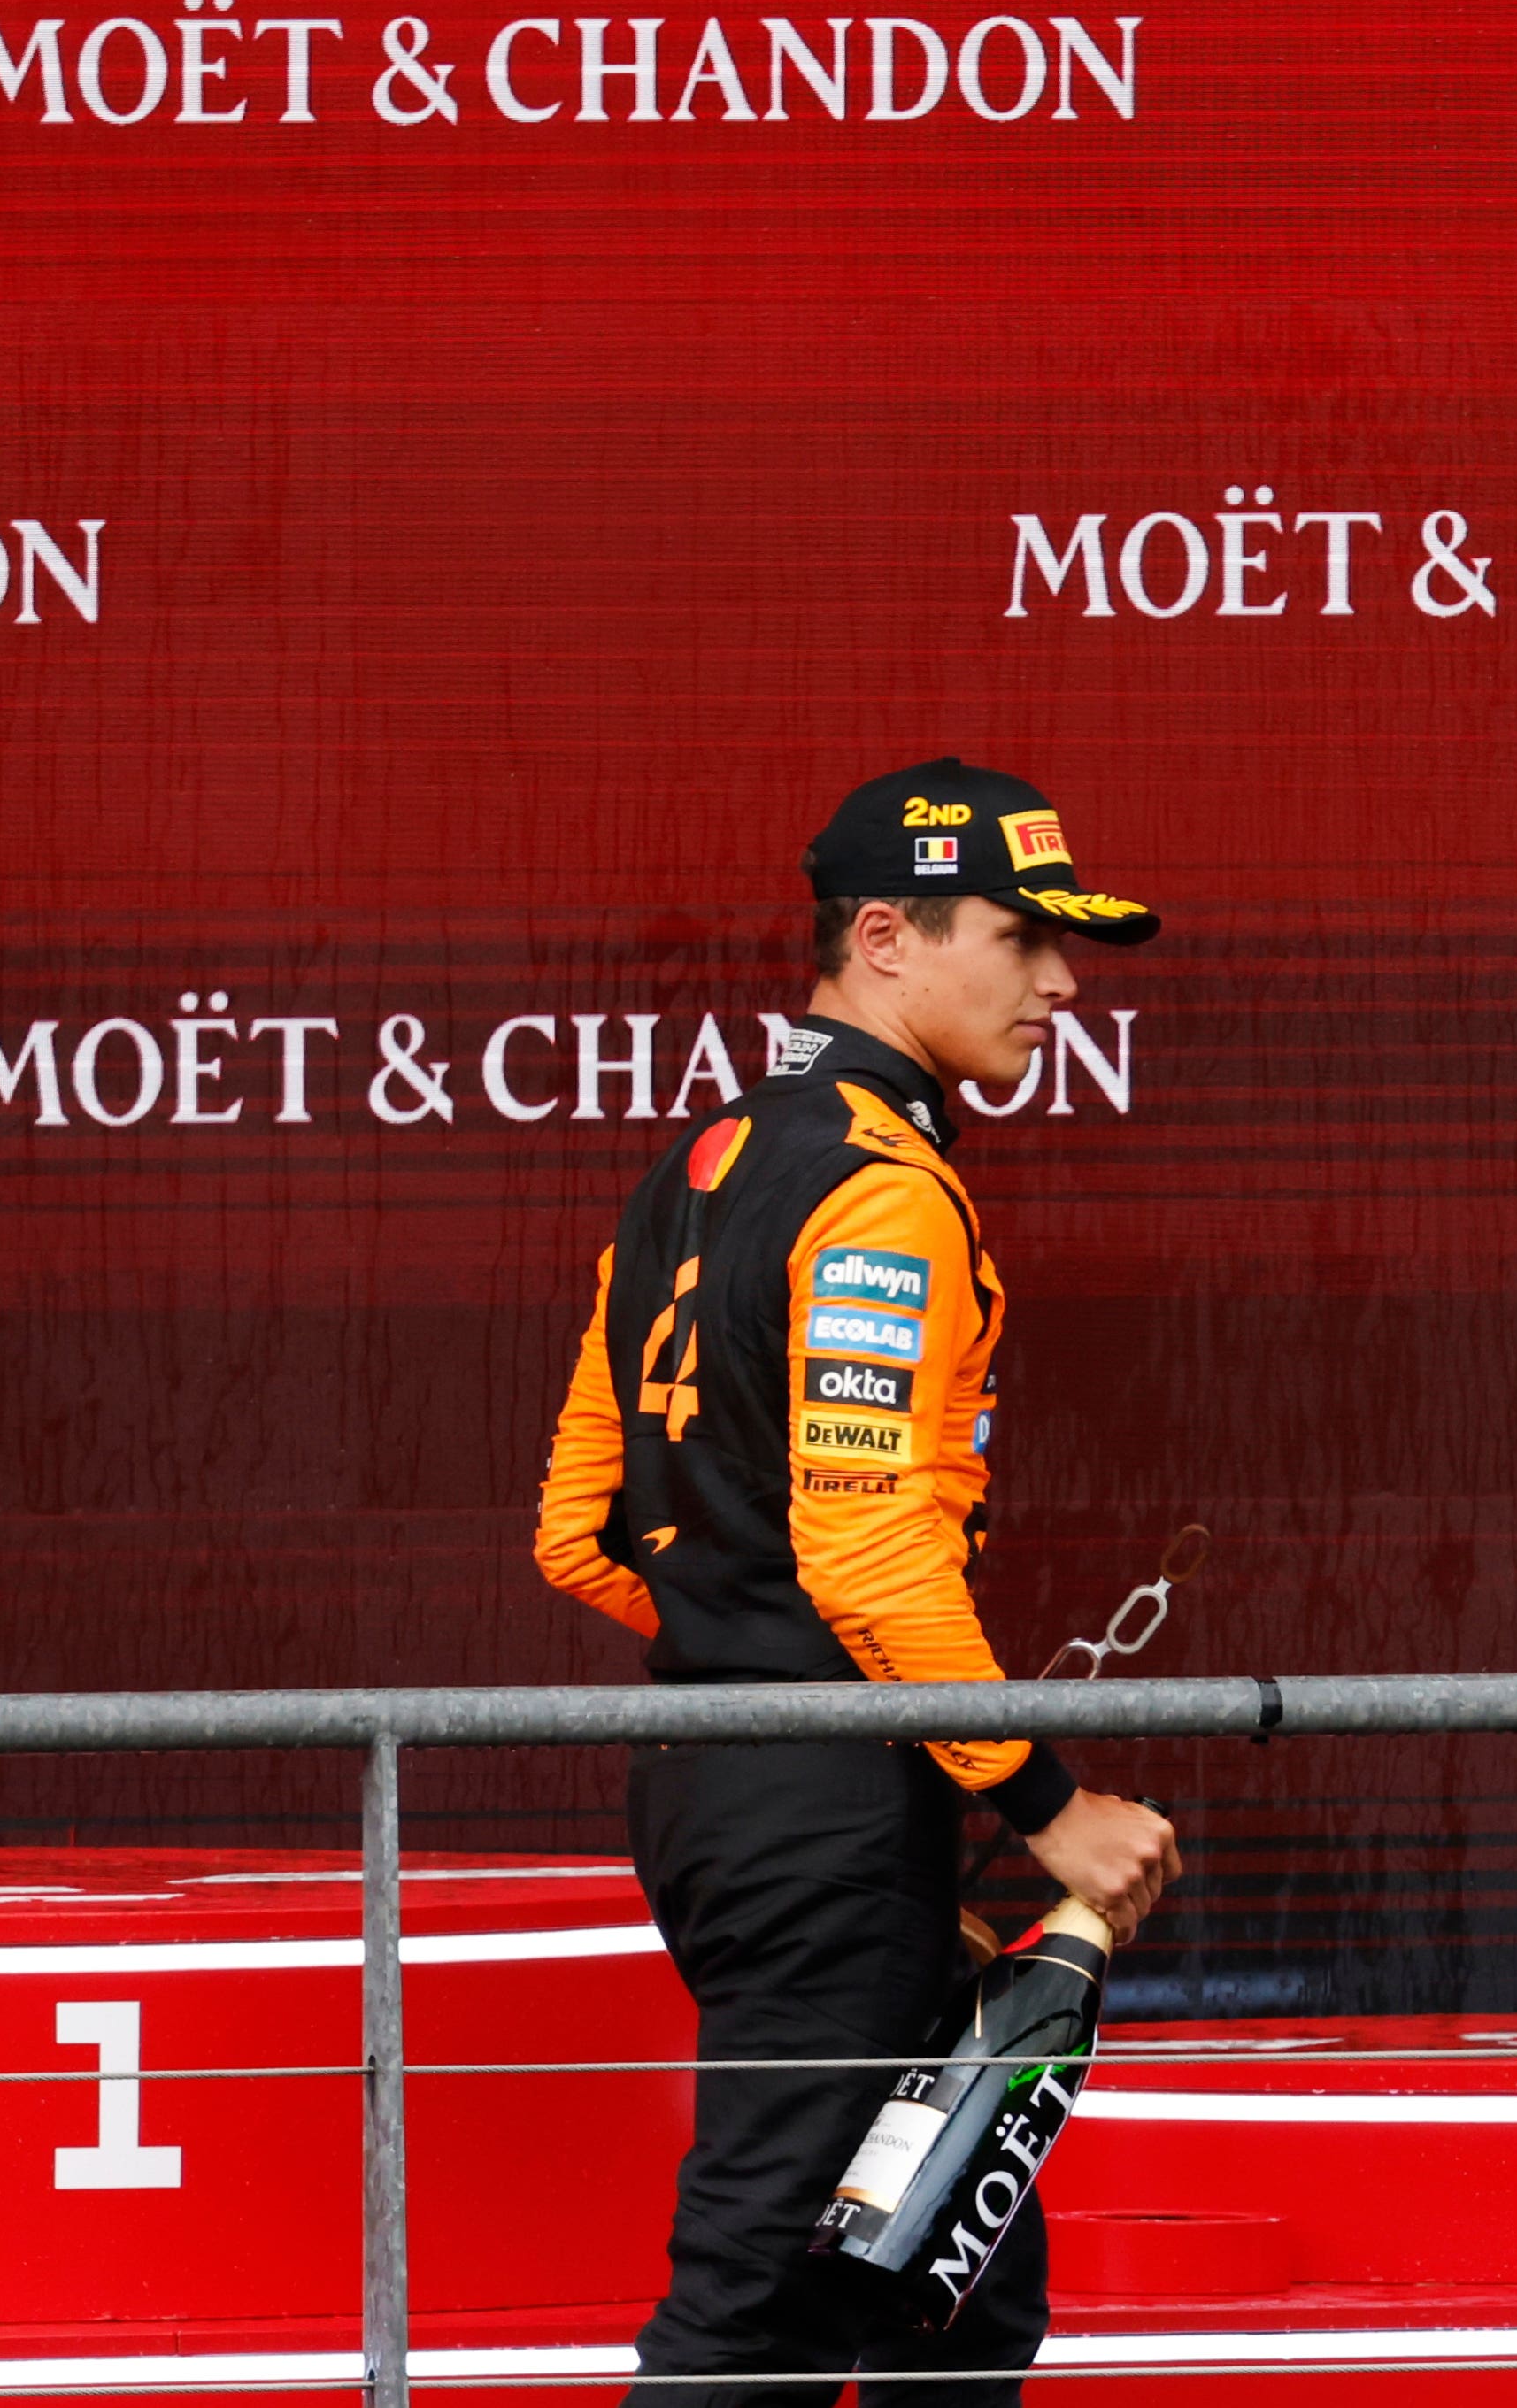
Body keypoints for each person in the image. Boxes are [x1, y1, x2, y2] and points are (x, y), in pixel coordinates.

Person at [535, 756, 1182, 2408]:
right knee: (760, 2308)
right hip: (819, 1817)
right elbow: (869, 1544)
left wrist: (798, 1666)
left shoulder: (689, 1177)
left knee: (952, 2288)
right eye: (1022, 938)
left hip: (735, 1792)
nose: (1058, 983)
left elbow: (583, 1533)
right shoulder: (880, 1191)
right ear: (883, 937)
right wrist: (1040, 1803)